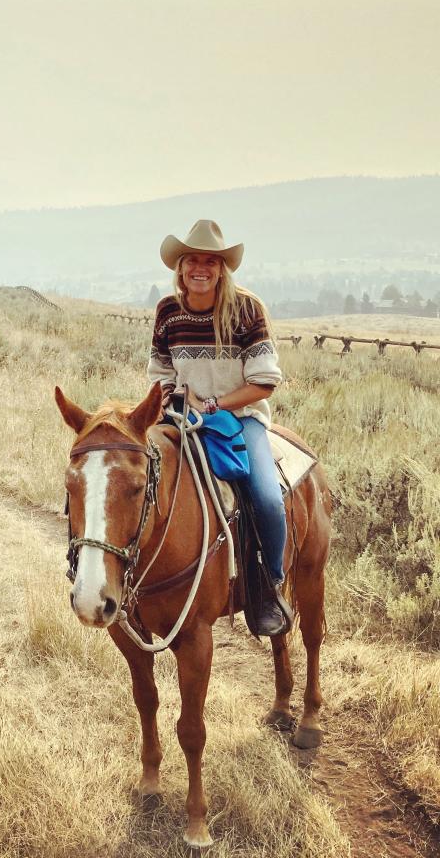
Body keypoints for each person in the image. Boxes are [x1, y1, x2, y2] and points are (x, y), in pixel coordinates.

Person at [147, 219, 291, 636]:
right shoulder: (167, 312)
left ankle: (268, 584)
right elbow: (159, 369)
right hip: (179, 417)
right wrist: (176, 397)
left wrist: (213, 405)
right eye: (193, 260)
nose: (201, 268)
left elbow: (264, 381)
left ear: (221, 268)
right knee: (137, 474)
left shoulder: (247, 309)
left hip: (240, 421)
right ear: (181, 266)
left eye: (211, 261)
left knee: (265, 498)